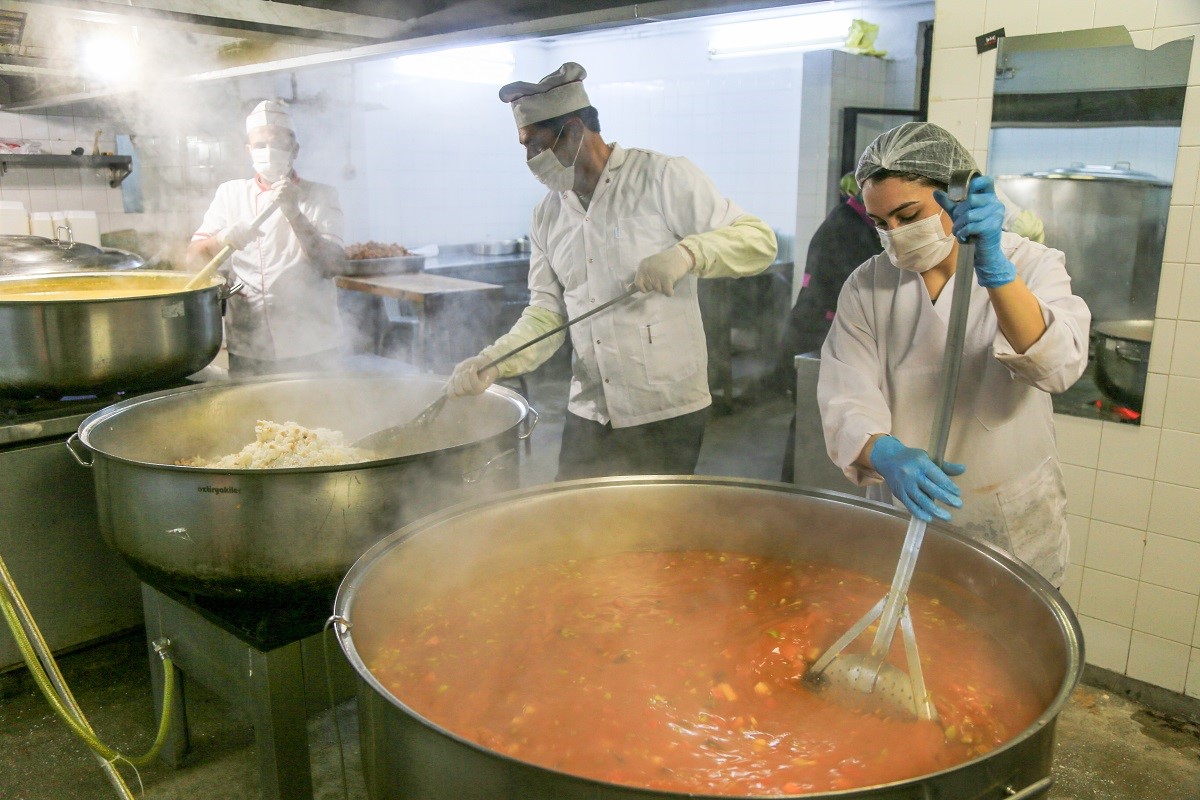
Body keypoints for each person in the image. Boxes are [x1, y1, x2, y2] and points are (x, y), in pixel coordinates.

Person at [447, 62, 777, 480]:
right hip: (590, 408)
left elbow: (759, 240)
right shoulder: (547, 215)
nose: (531, 160)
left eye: (535, 145)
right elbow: (546, 313)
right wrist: (495, 361)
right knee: (575, 528)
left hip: (665, 409)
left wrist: (688, 253)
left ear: (573, 131)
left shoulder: (660, 177)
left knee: (650, 536)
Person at [817, 122, 1090, 586]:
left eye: (909, 214)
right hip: (906, 508)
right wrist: (883, 453)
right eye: (881, 224)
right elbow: (846, 392)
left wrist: (998, 276)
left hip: (1008, 513)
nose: (896, 235)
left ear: (957, 194)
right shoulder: (868, 284)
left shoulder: (1032, 264)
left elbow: (1057, 366)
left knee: (1011, 646)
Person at [187, 99, 347, 377]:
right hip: (249, 346)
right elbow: (192, 260)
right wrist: (222, 239)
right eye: (260, 145)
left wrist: (294, 214)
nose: (269, 152)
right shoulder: (230, 195)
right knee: (254, 419)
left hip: (311, 345)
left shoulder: (321, 196)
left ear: (294, 149)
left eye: (279, 144)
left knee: (315, 416)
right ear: (249, 151)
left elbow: (331, 266)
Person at [779, 173, 883, 482]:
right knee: (813, 426)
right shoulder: (846, 227)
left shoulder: (852, 221)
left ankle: (794, 494)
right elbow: (850, 292)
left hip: (813, 328)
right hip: (815, 334)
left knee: (812, 423)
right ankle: (794, 501)